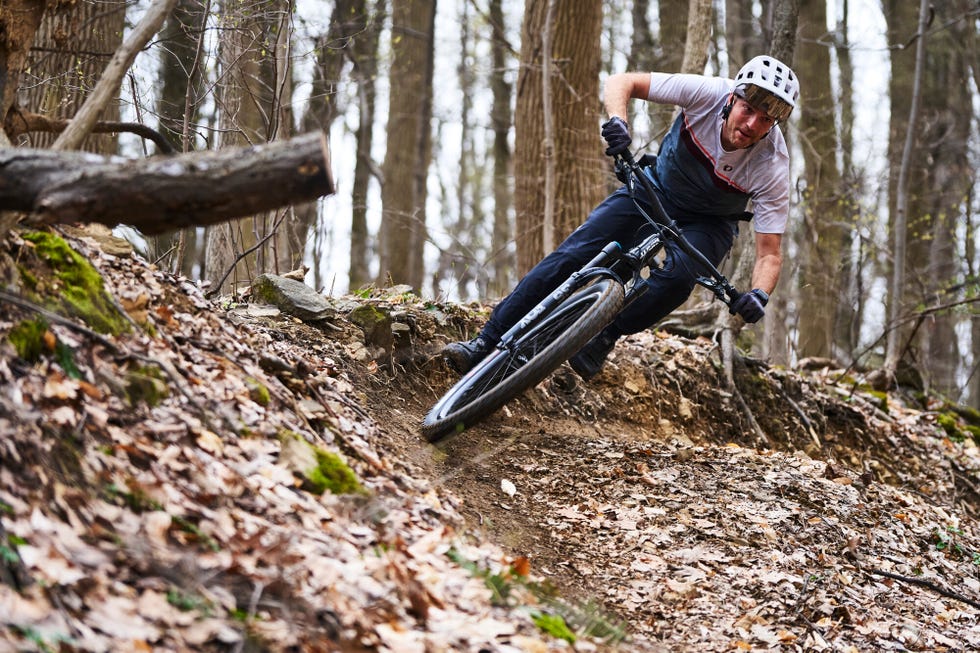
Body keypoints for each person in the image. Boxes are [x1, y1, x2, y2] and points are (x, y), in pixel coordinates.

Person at [443, 55, 800, 379]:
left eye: (765, 119)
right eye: (747, 109)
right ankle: (485, 343)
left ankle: (603, 334)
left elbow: (769, 252)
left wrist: (759, 294)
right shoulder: (707, 93)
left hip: (708, 222)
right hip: (656, 187)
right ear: (732, 99)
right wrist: (619, 122)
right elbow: (622, 82)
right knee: (572, 255)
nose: (752, 124)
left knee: (679, 279)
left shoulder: (772, 165)